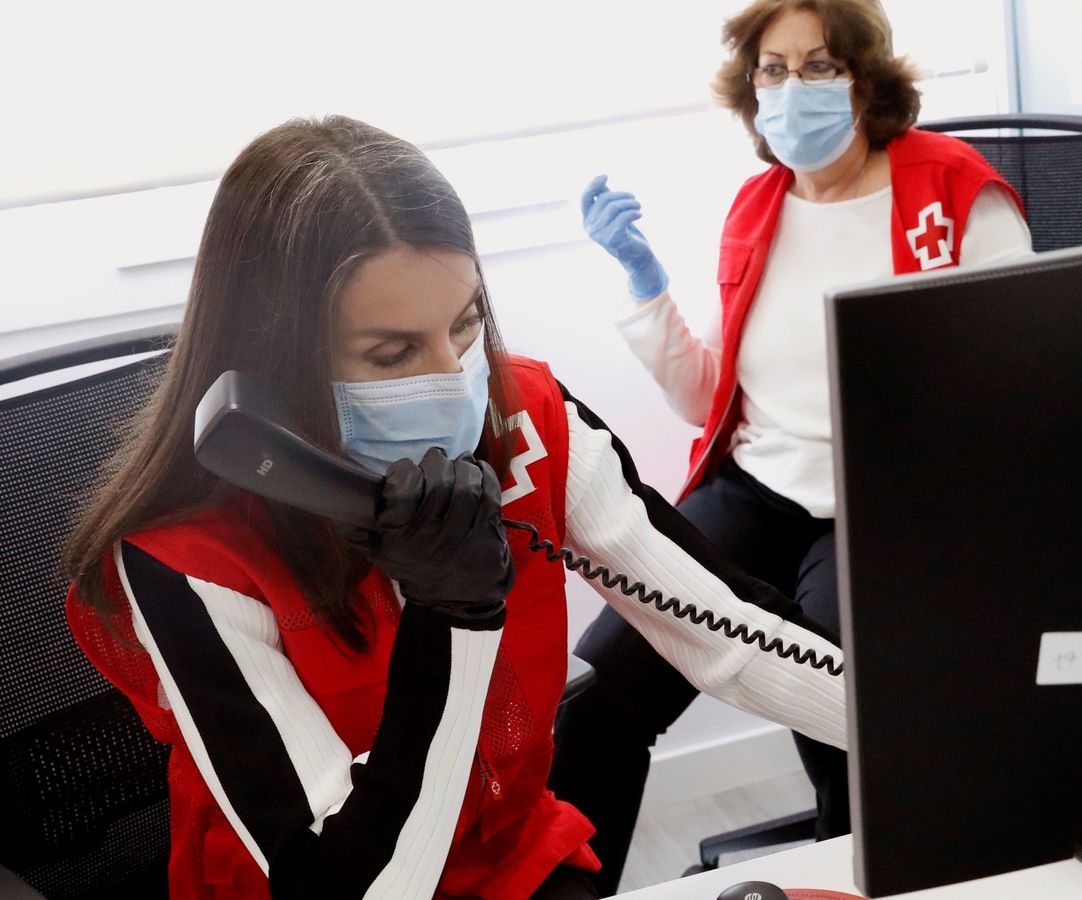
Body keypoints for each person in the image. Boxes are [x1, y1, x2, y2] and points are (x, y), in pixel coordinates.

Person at [61, 116, 846, 900]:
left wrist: (929, 734)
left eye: (466, 323)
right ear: (277, 357)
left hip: (508, 859)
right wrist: (453, 617)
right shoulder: (187, 558)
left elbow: (731, 639)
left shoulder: (525, 421)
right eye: (393, 353)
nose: (453, 379)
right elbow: (355, 885)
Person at [551, 0, 1033, 892]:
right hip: (759, 488)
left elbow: (1019, 386)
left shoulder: (955, 188)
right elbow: (709, 399)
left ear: (864, 79)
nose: (792, 89)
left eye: (819, 66)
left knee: (845, 699)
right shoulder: (758, 206)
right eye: (774, 70)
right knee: (594, 698)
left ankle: (865, 880)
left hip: (890, 502)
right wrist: (644, 286)